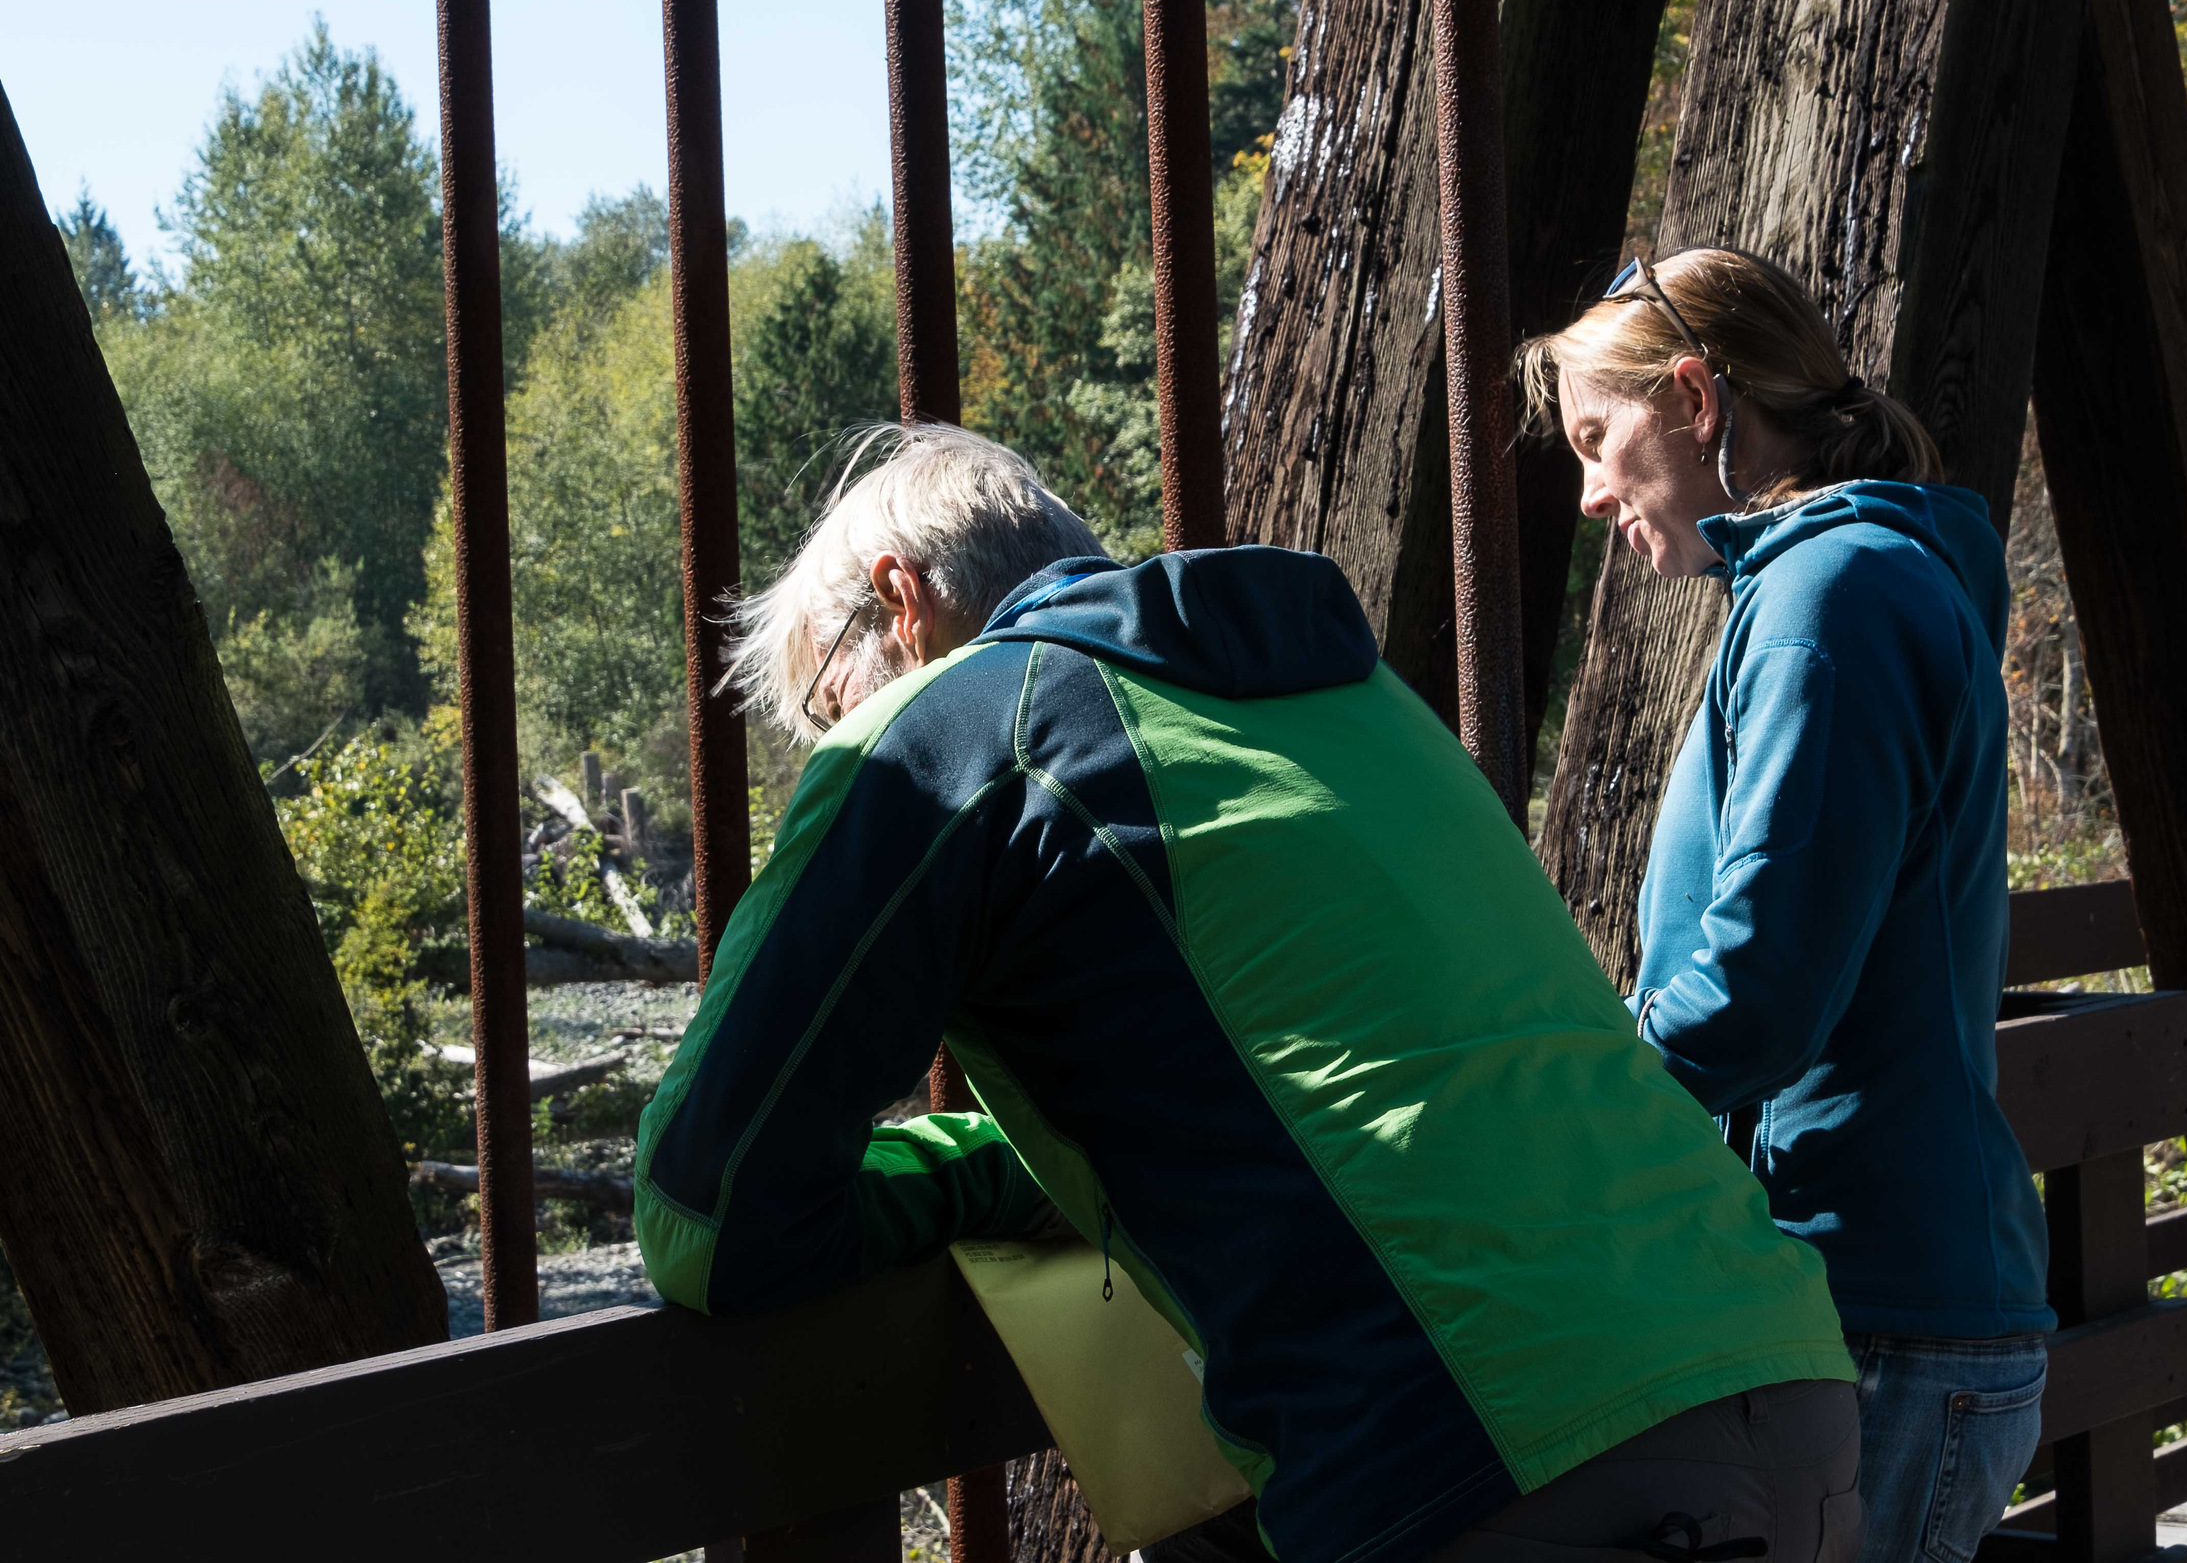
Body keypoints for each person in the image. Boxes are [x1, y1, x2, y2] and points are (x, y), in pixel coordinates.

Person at [636, 421, 1863, 1563]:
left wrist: (907, 1199)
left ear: (902, 600)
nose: (831, 730)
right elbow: (1323, 1090)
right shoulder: (1337, 695)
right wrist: (973, 1172)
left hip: (1507, 1456)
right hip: (1780, 1376)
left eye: (821, 695)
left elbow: (711, 1211)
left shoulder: (960, 731)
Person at [1516, 249, 2052, 1563]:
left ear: (1697, 400)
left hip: (1881, 1311)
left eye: (1599, 437)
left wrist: (1531, 1114)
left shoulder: (1832, 600)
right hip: (1875, 1295)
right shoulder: (1831, 585)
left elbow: (1756, 987)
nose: (1588, 491)